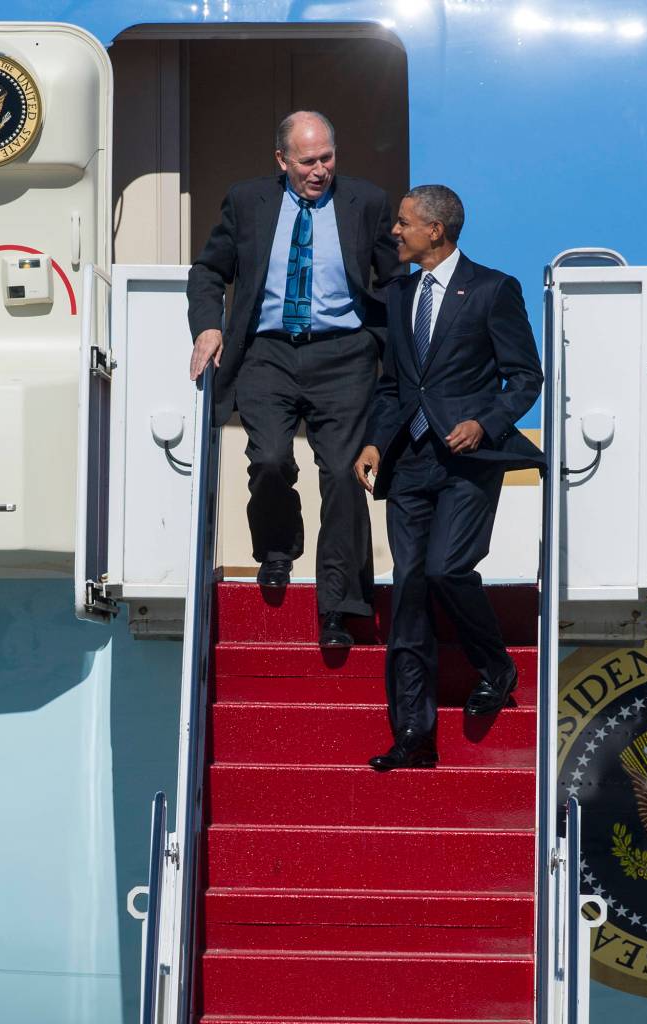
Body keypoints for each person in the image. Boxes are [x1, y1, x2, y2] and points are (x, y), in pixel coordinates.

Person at [188, 111, 402, 647]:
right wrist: (207, 326)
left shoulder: (367, 201)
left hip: (345, 354)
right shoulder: (246, 201)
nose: (320, 170)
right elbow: (209, 270)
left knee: (345, 477)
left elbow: (394, 277)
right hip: (267, 353)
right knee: (269, 460)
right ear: (281, 161)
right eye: (307, 161)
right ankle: (277, 550)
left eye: (327, 157)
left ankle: (341, 606)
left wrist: (395, 343)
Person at [354, 185, 544, 770]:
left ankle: (496, 665)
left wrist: (484, 424)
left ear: (435, 230)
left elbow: (525, 379)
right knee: (409, 588)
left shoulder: (493, 289)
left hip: (466, 462)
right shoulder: (398, 292)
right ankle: (414, 736)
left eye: (404, 223)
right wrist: (373, 443)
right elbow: (395, 387)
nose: (395, 232)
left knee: (446, 569)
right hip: (408, 462)